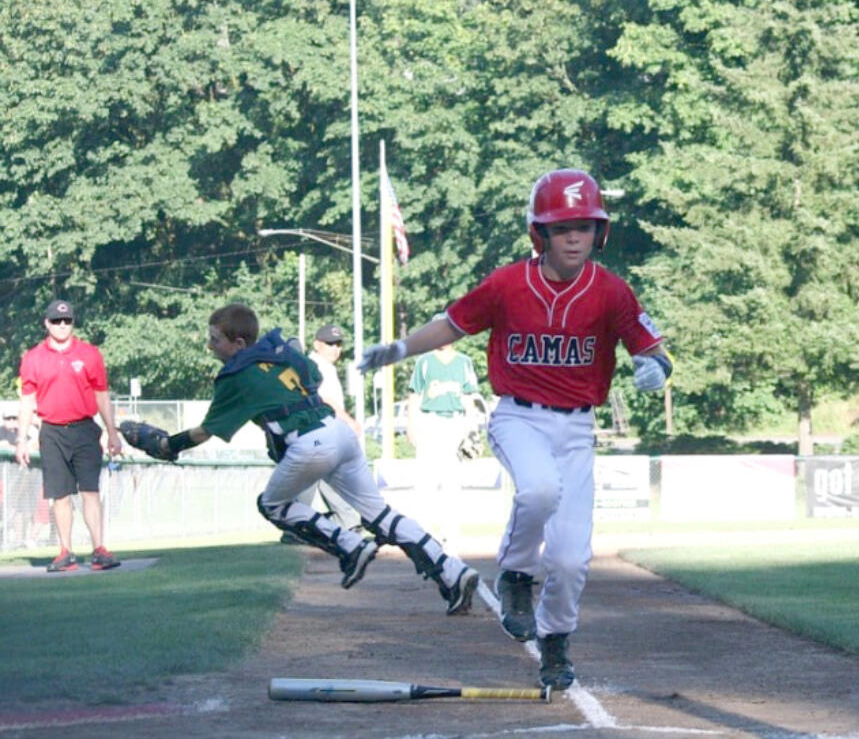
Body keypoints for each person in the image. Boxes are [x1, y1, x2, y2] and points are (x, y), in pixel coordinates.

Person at [359, 168, 672, 690]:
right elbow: (452, 323)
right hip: (519, 415)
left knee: (572, 559)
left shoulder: (612, 291)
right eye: (562, 227)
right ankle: (517, 574)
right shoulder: (508, 284)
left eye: (585, 226)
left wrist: (654, 367)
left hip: (577, 430)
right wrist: (398, 350)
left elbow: (652, 349)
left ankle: (554, 643)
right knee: (539, 489)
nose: (574, 237)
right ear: (540, 234)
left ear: (600, 232)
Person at [144, 303, 478, 613]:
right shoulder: (280, 354)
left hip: (310, 443)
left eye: (216, 339)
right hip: (338, 432)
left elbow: (205, 431)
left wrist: (167, 446)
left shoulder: (237, 376)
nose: (210, 345)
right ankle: (453, 572)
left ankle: (349, 544)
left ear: (239, 342)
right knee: (381, 515)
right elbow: (313, 378)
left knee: (271, 505)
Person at [16, 299, 123, 572]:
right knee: (60, 495)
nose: (62, 326)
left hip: (85, 429)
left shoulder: (89, 354)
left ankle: (99, 549)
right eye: (56, 321)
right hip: (51, 431)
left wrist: (112, 432)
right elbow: (28, 401)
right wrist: (22, 440)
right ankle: (66, 551)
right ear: (46, 323)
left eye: (67, 321)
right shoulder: (33, 358)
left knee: (90, 490)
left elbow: (101, 394)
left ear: (73, 323)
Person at [279, 324, 364, 539]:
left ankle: (339, 522)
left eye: (338, 344)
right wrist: (349, 421)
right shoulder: (314, 365)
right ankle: (299, 527)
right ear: (317, 344)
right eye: (329, 344)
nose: (335, 348)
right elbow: (323, 400)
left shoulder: (326, 366)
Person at [407, 319, 481, 545]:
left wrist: (473, 429)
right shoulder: (424, 361)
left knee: (453, 481)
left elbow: (470, 397)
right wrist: (412, 426)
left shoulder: (464, 362)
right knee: (426, 480)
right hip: (430, 422)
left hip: (456, 423)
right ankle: (423, 533)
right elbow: (414, 395)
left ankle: (451, 533)